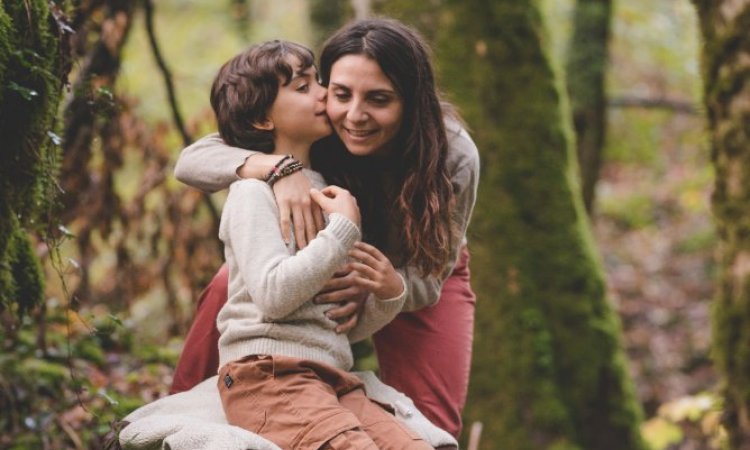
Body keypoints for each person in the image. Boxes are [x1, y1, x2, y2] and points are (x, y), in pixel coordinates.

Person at [173, 18, 480, 438]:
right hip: (323, 255)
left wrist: (379, 285)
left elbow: (429, 279)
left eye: (379, 99)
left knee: (430, 425)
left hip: (415, 269)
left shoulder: (453, 154)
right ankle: (176, 419)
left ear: (412, 100)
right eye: (340, 93)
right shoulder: (319, 125)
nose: (355, 115)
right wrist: (277, 169)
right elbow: (194, 159)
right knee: (231, 281)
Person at [208, 39, 431, 449]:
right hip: (269, 375)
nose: (324, 94)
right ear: (262, 118)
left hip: (331, 376)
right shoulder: (252, 193)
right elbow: (275, 296)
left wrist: (388, 292)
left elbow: (342, 323)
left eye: (319, 81)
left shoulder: (333, 193)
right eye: (304, 87)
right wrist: (342, 230)